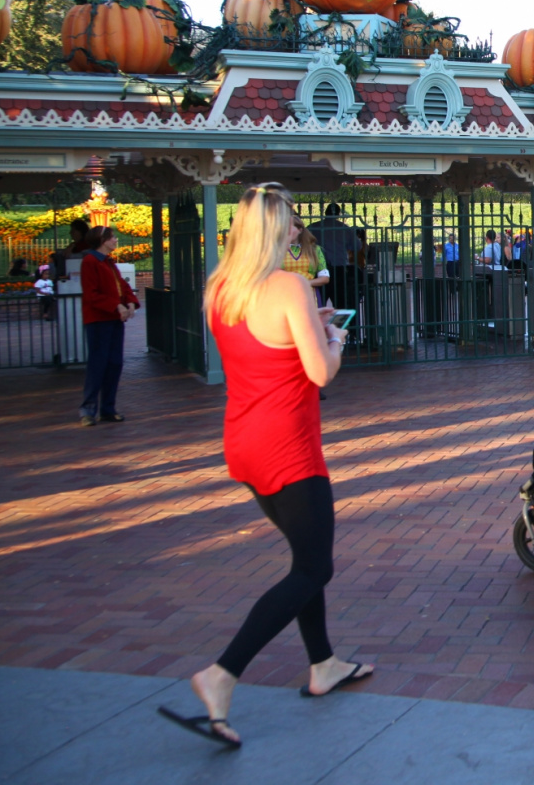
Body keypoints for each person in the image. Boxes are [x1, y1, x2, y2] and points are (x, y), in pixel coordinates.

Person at [161, 184, 367, 749]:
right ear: (276, 231)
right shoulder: (289, 285)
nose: (300, 233)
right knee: (313, 569)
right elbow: (321, 372)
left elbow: (265, 349)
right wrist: (335, 336)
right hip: (290, 447)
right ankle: (221, 674)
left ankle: (323, 664)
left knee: (306, 557)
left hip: (244, 442)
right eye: (294, 226)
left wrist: (310, 322)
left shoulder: (221, 289)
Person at [78, 226, 139, 427]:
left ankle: (107, 408)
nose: (115, 240)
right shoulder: (90, 261)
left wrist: (130, 302)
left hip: (114, 320)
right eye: (112, 238)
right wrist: (116, 305)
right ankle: (88, 410)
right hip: (98, 321)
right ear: (102, 240)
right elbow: (91, 293)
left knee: (114, 363)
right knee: (98, 364)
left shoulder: (108, 262)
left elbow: (122, 285)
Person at [310, 206, 360, 317]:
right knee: (341, 304)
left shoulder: (314, 227)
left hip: (319, 269)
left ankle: (320, 329)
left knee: (319, 302)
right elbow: (357, 246)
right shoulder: (344, 228)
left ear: (325, 212)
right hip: (339, 269)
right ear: (338, 214)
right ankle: (341, 329)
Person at [282, 217, 330, 304]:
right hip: (283, 295)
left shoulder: (314, 250)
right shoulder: (276, 251)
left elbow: (325, 278)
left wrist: (303, 283)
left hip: (308, 296)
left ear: (300, 230)